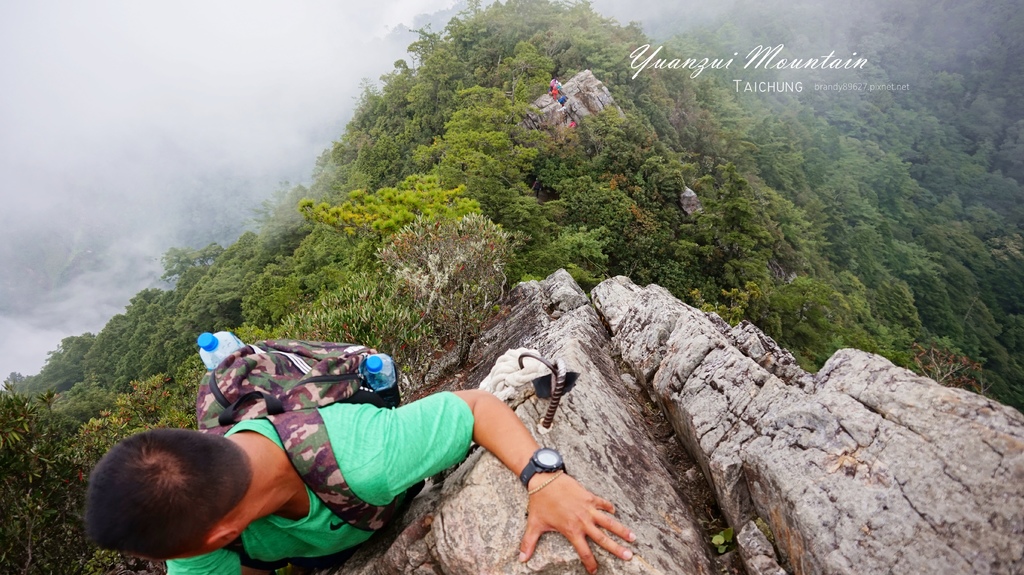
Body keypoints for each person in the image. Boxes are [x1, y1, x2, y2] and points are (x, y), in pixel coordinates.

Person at [85, 389, 636, 575]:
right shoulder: (197, 522)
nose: (169, 564)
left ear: (216, 537)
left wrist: (545, 479)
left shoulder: (367, 458)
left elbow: (477, 408)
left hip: (361, 499)